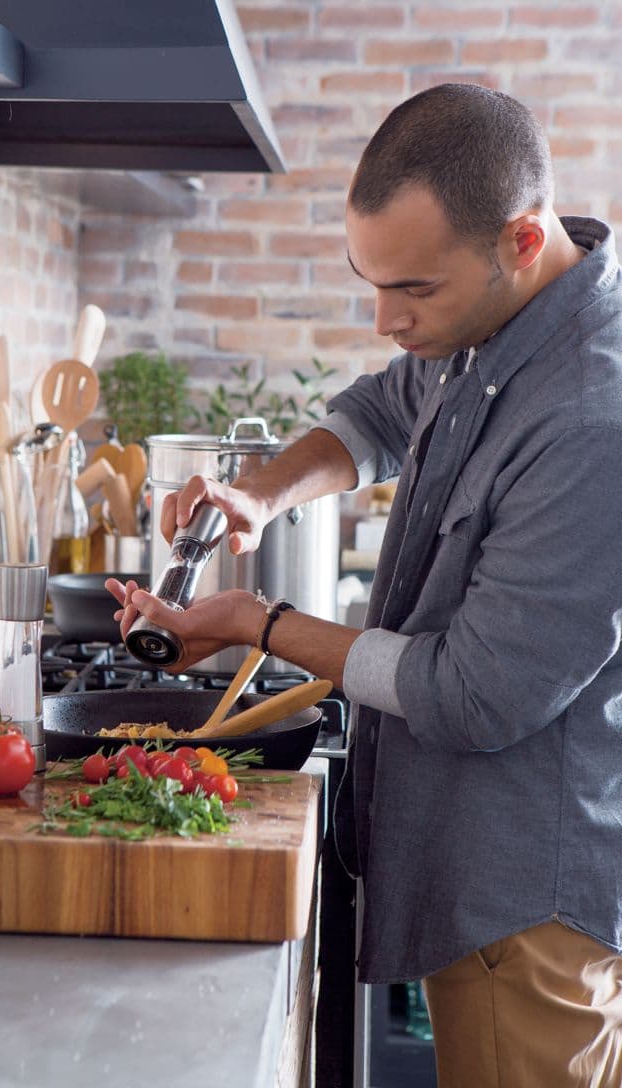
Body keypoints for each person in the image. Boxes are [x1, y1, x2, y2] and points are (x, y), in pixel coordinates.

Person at [106, 83, 622, 1086]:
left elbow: (474, 693)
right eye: (369, 282)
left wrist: (260, 621)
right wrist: (257, 494)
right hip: (468, 868)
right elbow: (379, 408)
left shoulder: (590, 420)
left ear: (519, 239)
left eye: (412, 291)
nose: (385, 319)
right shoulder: (490, 324)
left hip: (523, 905)